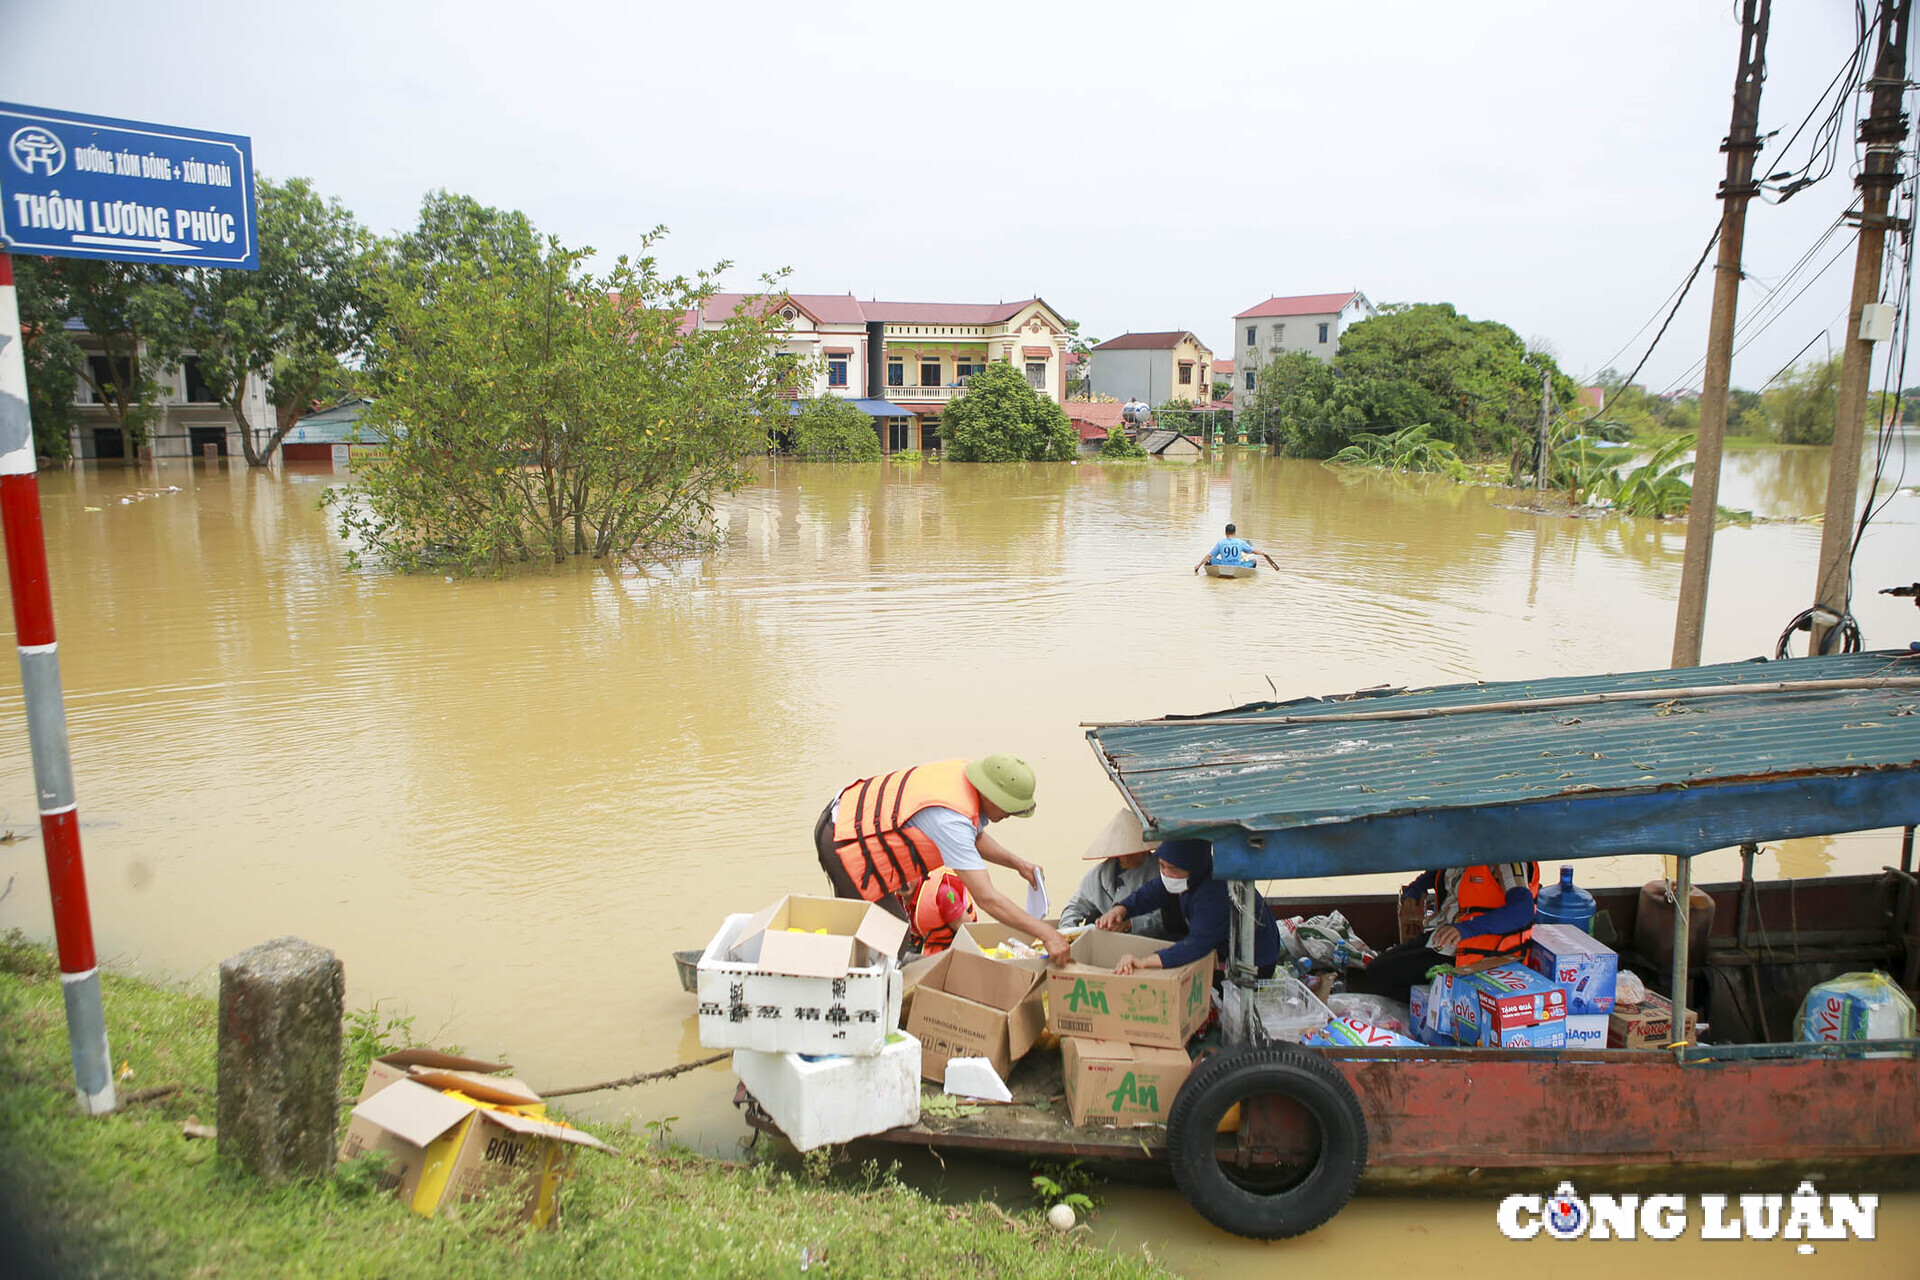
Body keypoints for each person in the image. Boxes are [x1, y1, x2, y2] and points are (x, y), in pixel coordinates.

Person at [816, 754, 1070, 962]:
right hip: (843, 837)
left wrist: (1016, 864)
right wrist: (1047, 934)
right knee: (890, 933)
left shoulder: (966, 777)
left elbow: (975, 836)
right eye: (1008, 807)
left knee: (888, 933)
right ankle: (863, 999)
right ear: (990, 794)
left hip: (850, 813)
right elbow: (987, 898)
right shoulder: (949, 820)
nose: (1010, 815)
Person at [1346, 862, 1540, 1002]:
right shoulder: (1469, 847)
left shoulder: (1507, 859)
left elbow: (1522, 910)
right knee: (1378, 967)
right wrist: (1417, 888)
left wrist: (1466, 929)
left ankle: (1446, 1004)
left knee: (1378, 975)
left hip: (1475, 955)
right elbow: (1443, 870)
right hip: (1445, 938)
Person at [1095, 839, 1281, 977]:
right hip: (1220, 946)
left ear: (1194, 867)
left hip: (1255, 962)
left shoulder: (1214, 894)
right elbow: (1151, 893)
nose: (1166, 874)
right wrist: (1120, 910)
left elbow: (1196, 945)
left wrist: (1144, 962)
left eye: (1173, 869)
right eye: (1162, 866)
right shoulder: (1185, 876)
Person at [1058, 809, 1168, 938]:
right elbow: (1075, 907)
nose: (1127, 858)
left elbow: (1162, 920)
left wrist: (1129, 924)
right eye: (1124, 854)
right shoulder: (1098, 875)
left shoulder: (1161, 871)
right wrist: (1067, 933)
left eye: (1132, 853)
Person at [1194, 522, 1280, 574]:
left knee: (1210, 561)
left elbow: (1209, 556)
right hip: (1237, 566)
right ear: (1235, 533)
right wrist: (1263, 553)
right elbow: (1253, 551)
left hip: (1224, 566)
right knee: (1254, 561)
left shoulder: (1220, 543)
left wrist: (1198, 566)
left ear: (1225, 532)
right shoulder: (1240, 542)